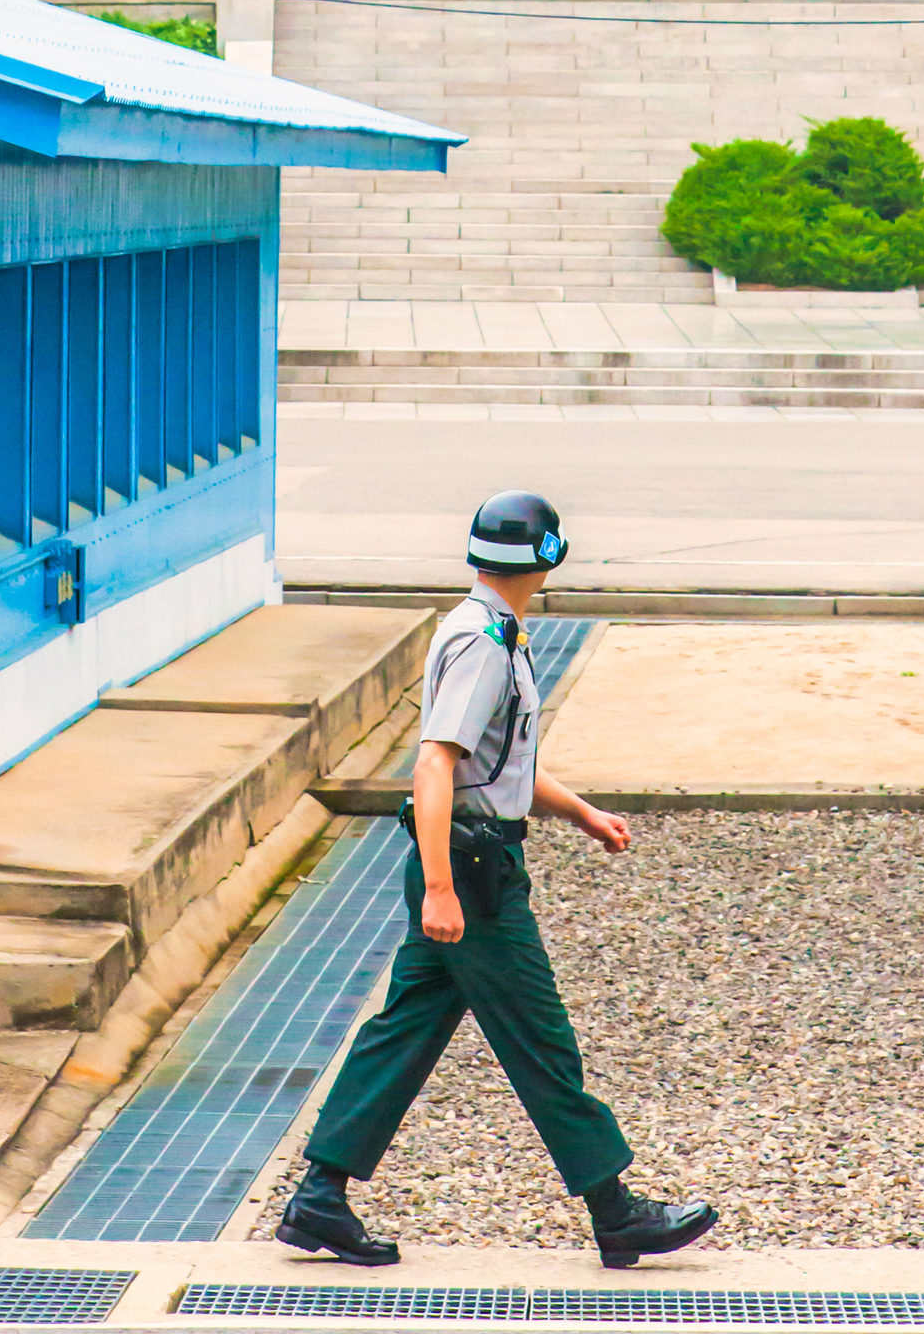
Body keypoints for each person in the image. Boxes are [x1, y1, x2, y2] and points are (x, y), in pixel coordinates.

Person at [277, 491, 718, 1270]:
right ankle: (617, 1213)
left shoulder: (486, 629)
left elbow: (499, 766)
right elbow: (435, 764)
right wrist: (443, 888)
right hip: (475, 872)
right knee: (538, 1036)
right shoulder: (483, 643)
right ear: (545, 558)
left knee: (405, 1027)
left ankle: (321, 1195)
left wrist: (580, 812)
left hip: (470, 856)